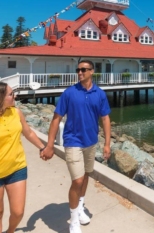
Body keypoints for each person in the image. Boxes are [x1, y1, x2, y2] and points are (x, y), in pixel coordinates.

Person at [42, 60, 111, 233]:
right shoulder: (69, 93)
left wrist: (107, 144)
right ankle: (73, 221)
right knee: (77, 180)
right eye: (78, 70)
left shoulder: (99, 94)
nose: (80, 72)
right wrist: (49, 145)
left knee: (86, 176)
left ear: (92, 71)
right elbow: (56, 119)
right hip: (73, 142)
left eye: (83, 70)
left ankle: (80, 207)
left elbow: (105, 119)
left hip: (91, 142)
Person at [0, 82, 46, 233]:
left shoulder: (16, 112)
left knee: (18, 212)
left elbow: (28, 133)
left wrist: (42, 147)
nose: (15, 96)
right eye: (10, 94)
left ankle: (10, 231)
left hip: (17, 168)